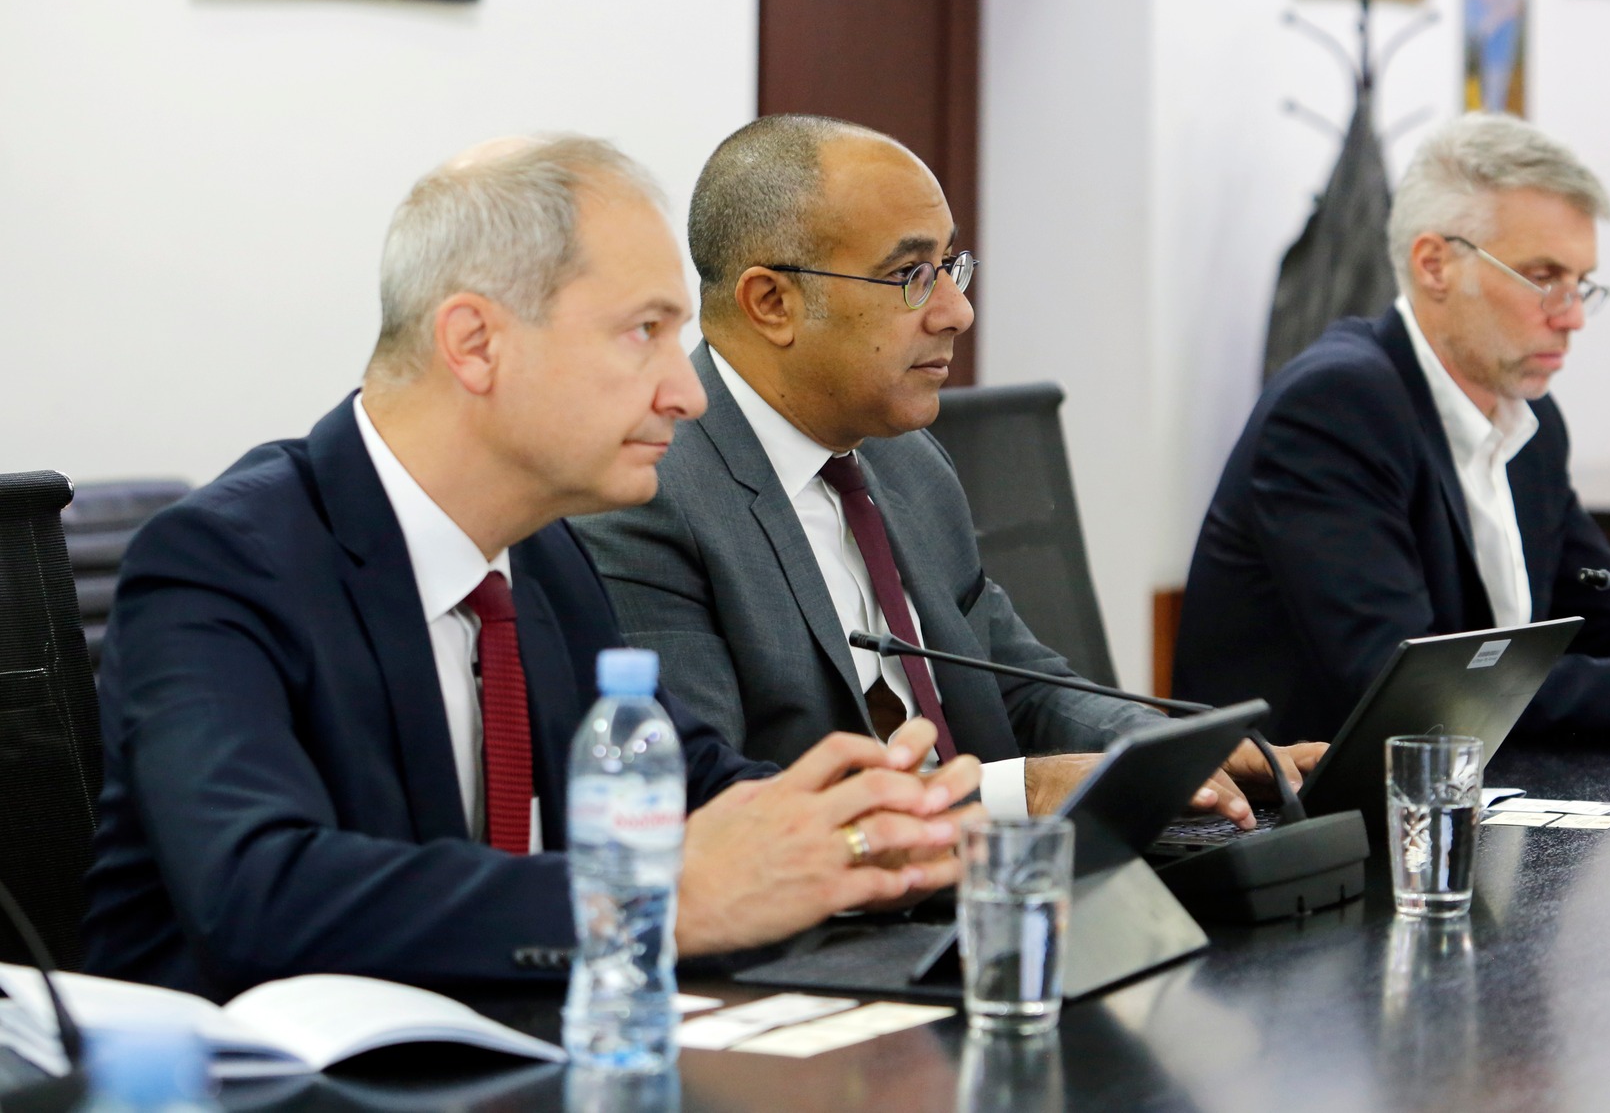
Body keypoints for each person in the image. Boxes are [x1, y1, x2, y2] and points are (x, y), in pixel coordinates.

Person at [84, 135, 979, 1001]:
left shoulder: (540, 553)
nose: (687, 393)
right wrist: (653, 900)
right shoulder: (222, 560)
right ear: (475, 343)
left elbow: (685, 782)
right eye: (643, 332)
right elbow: (259, 893)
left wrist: (863, 829)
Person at [577, 115, 1319, 824]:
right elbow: (708, 804)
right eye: (910, 274)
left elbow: (1018, 688)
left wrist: (1168, 750)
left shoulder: (909, 464)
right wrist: (1020, 791)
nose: (957, 311)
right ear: (773, 302)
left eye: (950, 268)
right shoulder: (648, 493)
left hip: (999, 877)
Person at [1174, 113, 1610, 743]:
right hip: (1298, 798)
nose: (1573, 318)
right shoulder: (1335, 408)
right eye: (1544, 278)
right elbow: (1408, 688)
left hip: (1470, 783)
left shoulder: (1529, 418)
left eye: (1581, 284)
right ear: (1435, 265)